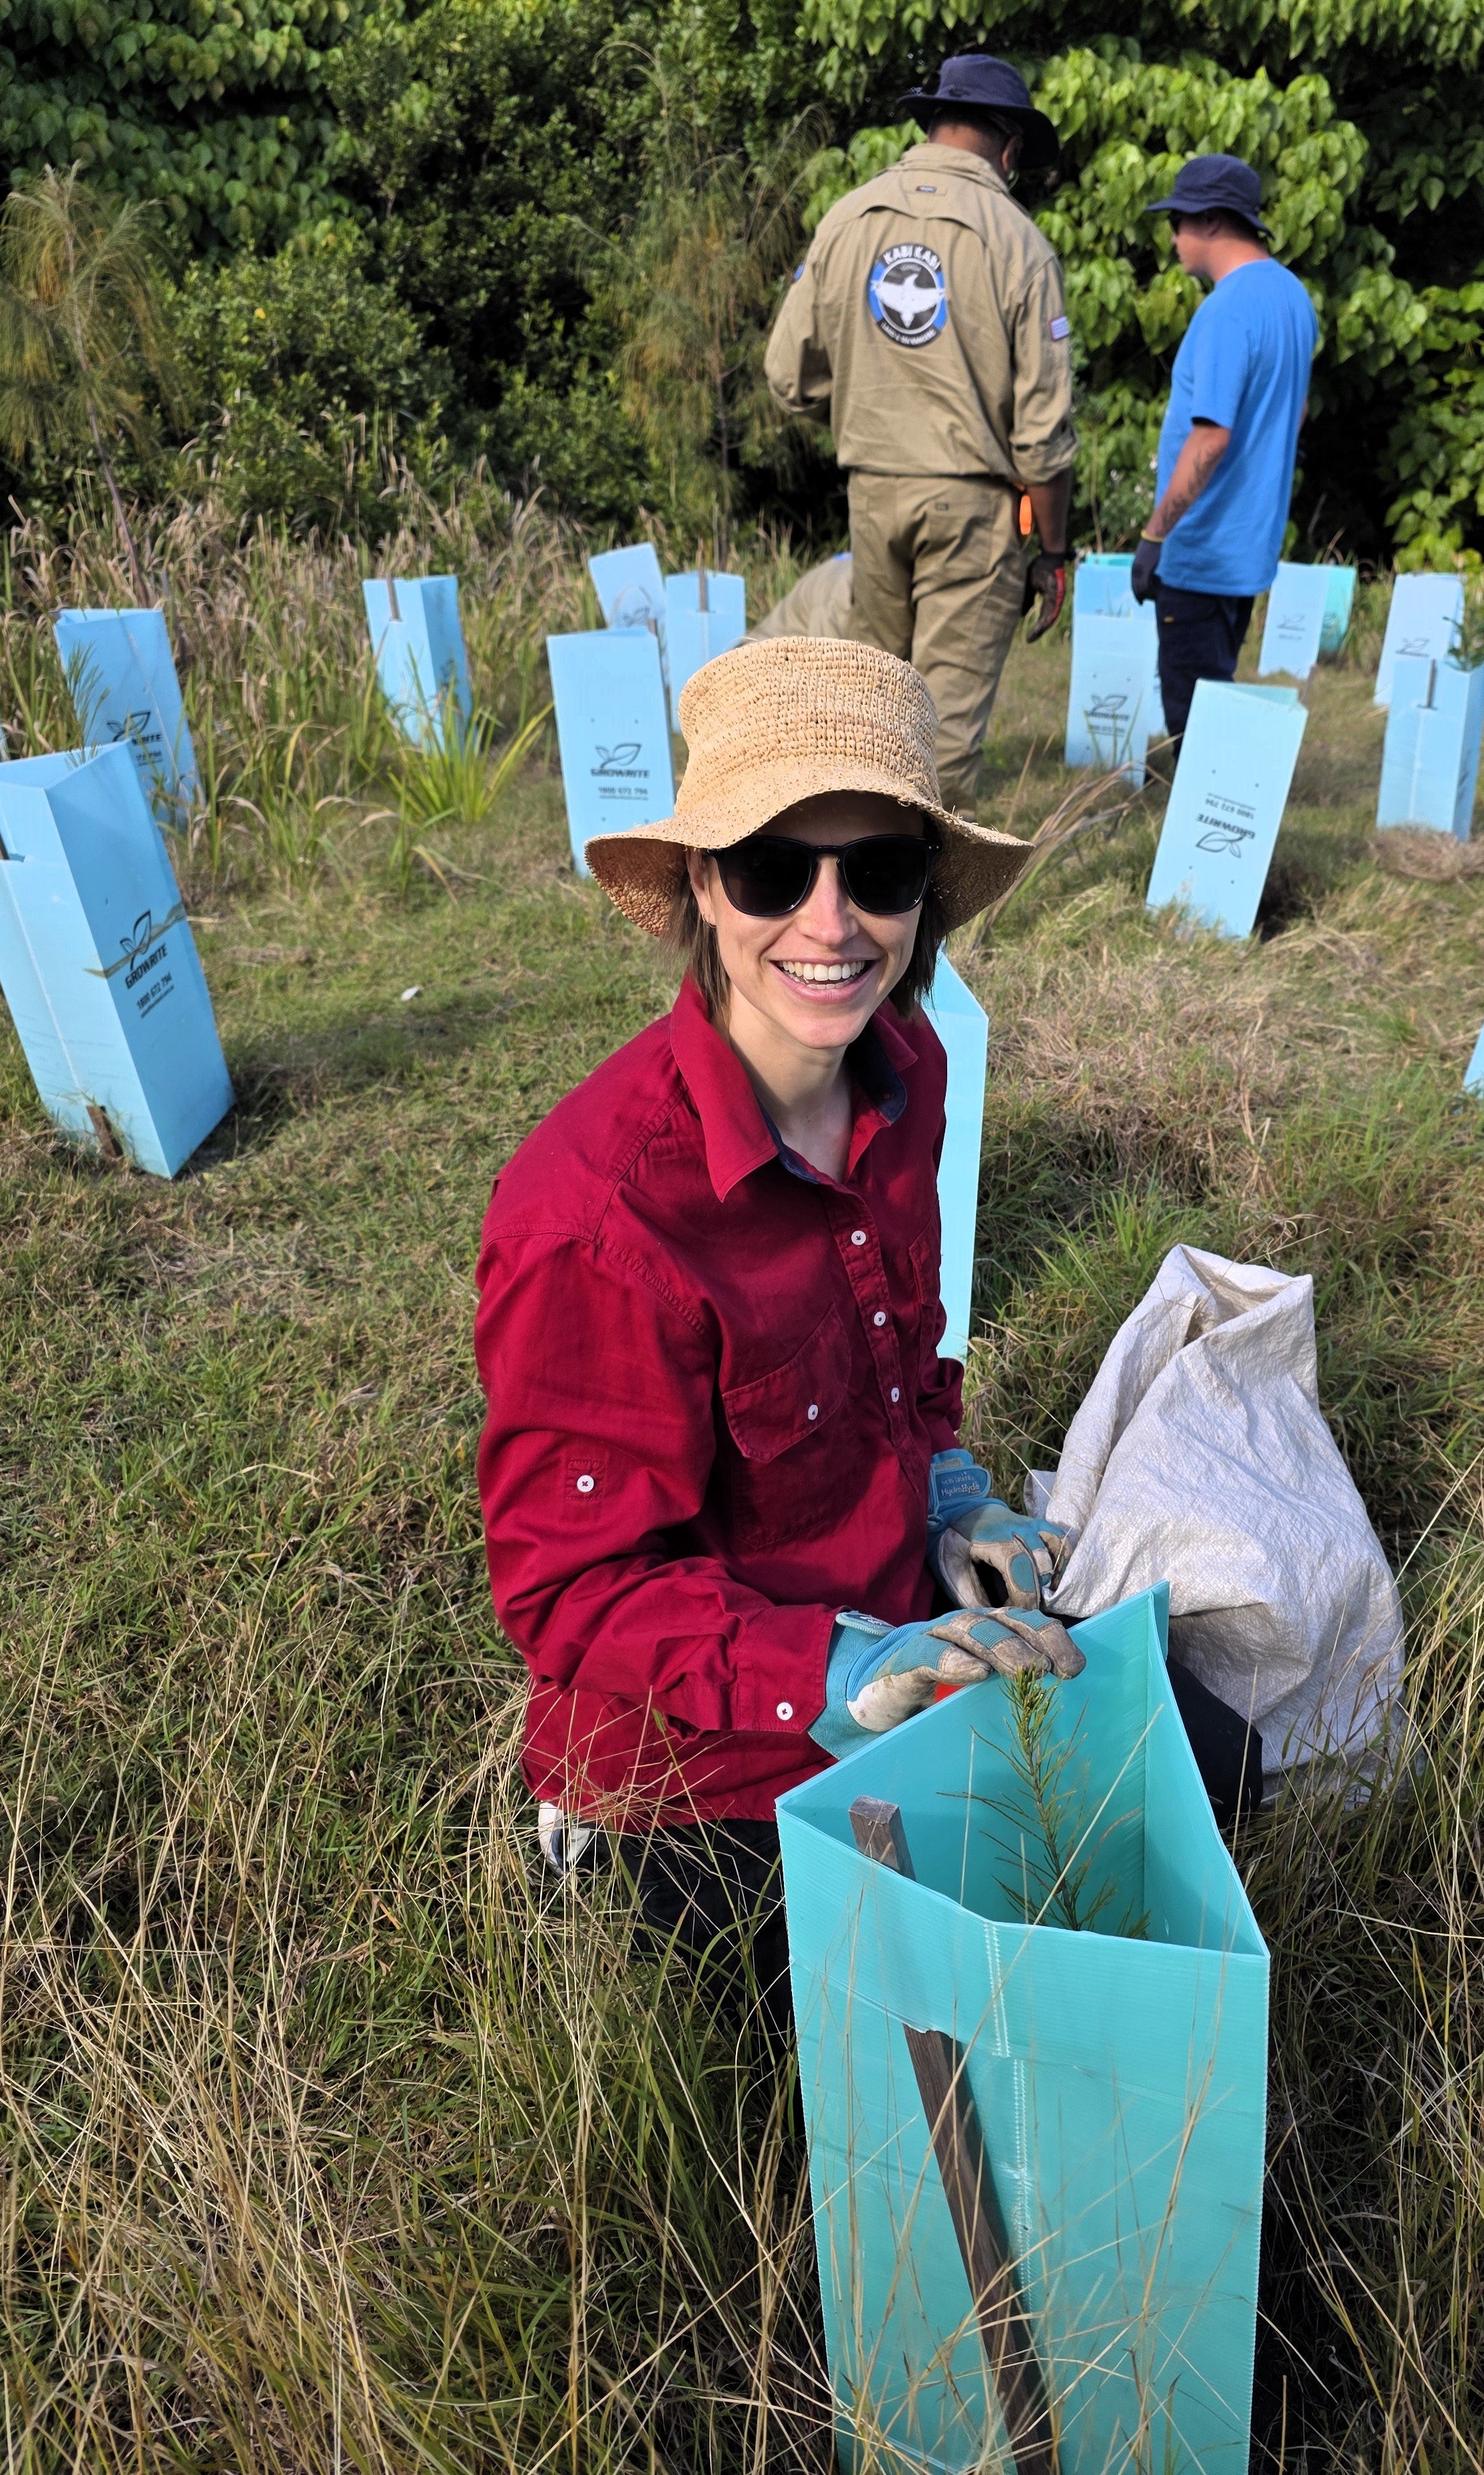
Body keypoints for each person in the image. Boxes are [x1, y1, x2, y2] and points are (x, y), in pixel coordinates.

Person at [474, 638, 1078, 2001]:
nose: (831, 922)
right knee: (938, 2019)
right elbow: (571, 1585)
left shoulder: (906, 1073)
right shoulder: (598, 1219)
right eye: (771, 869)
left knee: (1168, 1788)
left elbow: (903, 1351)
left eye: (878, 870)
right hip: (694, 1772)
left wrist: (949, 1499)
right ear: (701, 884)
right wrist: (842, 1669)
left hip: (889, 1642)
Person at [765, 54, 1077, 807]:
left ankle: (853, 891)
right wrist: (1056, 549)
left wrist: (871, 415)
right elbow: (1042, 432)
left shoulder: (848, 217)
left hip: (872, 494)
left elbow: (786, 375)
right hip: (974, 511)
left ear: (933, 124)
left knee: (874, 711)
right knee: (939, 739)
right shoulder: (1020, 243)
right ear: (1007, 145)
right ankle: (922, 912)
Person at [1128, 155, 1317, 745]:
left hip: (1201, 551)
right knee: (1218, 695)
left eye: (1176, 222)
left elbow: (1211, 437)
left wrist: (1155, 535)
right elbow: (1298, 411)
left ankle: (1213, 835)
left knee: (1194, 725)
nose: (1173, 239)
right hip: (1250, 549)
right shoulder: (1292, 297)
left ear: (1210, 222)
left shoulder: (1226, 309)